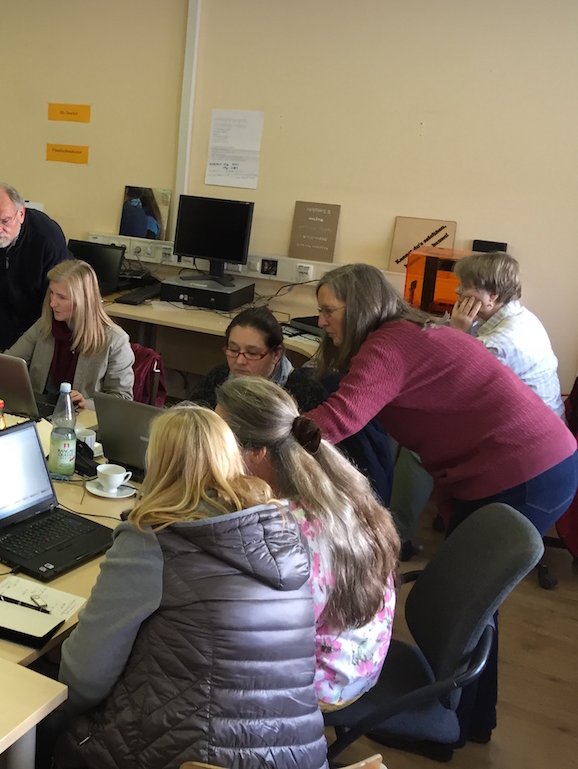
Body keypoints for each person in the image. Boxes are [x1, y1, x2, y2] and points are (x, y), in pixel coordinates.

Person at [304, 262, 578, 745]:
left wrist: (255, 442)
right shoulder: (406, 334)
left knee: (472, 604)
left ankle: (451, 728)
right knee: (474, 604)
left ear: (360, 306)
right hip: (528, 462)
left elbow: (339, 418)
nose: (321, 320)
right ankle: (470, 722)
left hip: (527, 470)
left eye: (330, 311)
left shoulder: (389, 345)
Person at [50, 405, 326, 769]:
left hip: (189, 756)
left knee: (41, 720)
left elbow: (83, 680)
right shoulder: (283, 534)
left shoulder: (152, 541)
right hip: (298, 757)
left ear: (156, 464)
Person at [216, 375, 398, 709]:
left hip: (322, 684)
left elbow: (258, 629)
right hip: (359, 660)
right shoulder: (333, 481)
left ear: (256, 452)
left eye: (217, 443)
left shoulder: (283, 529)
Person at [191, 307, 393, 502]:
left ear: (276, 354)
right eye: (233, 350)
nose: (240, 361)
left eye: (252, 353)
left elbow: (309, 470)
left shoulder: (303, 394)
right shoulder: (220, 377)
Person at [7, 259, 133, 410]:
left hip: (81, 419)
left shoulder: (115, 340)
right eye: (52, 293)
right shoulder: (44, 325)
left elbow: (123, 399)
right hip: (39, 411)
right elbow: (9, 363)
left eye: (62, 297)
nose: (52, 303)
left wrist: (87, 404)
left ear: (83, 301)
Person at [451, 251, 564, 417]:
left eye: (465, 287)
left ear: (492, 296)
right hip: (549, 418)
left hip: (528, 427)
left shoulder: (495, 344)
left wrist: (456, 333)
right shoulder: (520, 314)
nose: (457, 291)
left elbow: (457, 388)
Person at [0, 183, 70, 350]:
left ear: (21, 214)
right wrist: (10, 348)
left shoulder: (47, 237)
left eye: (5, 221)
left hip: (48, 308)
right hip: (8, 309)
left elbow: (53, 301)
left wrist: (38, 347)